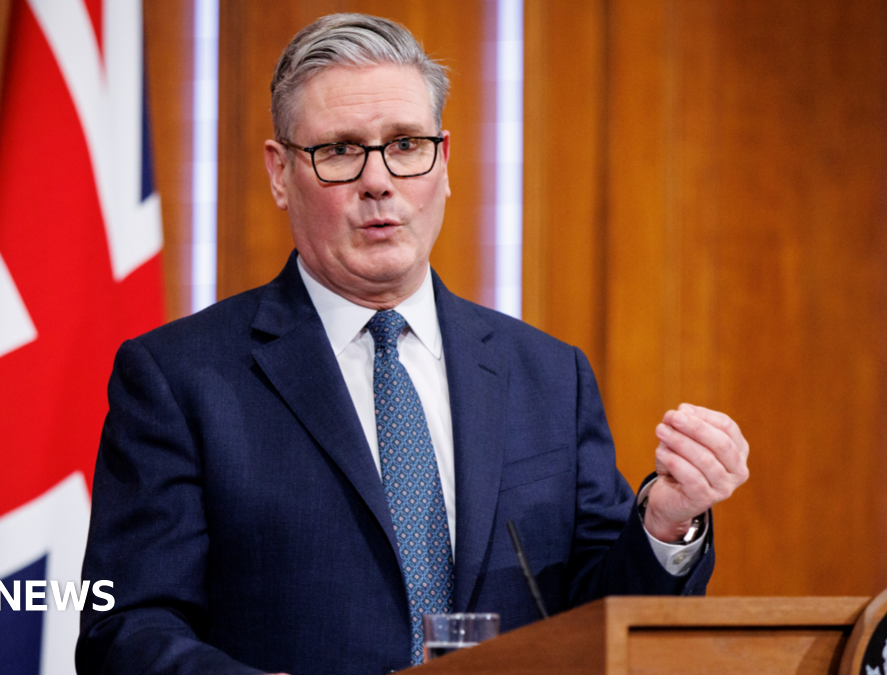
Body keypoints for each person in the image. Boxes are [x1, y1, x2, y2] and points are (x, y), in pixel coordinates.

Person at [76, 13, 749, 675]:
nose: (378, 180)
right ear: (280, 173)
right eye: (339, 150)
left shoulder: (548, 375)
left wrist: (664, 523)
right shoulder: (180, 377)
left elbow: (597, 618)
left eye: (405, 145)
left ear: (444, 161)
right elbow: (124, 628)